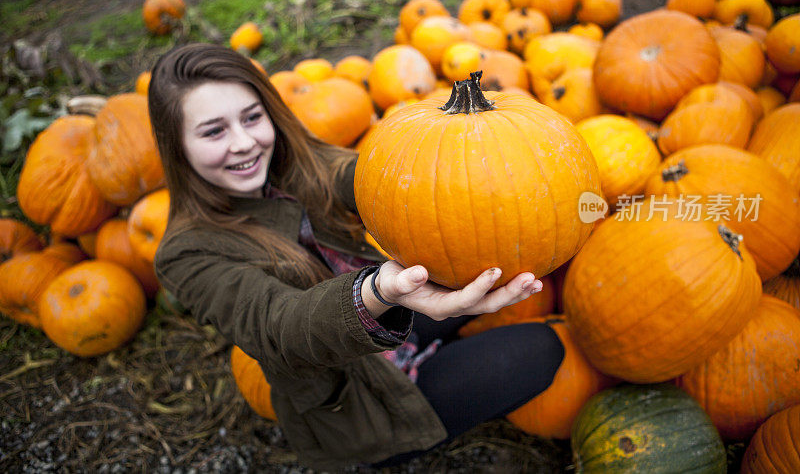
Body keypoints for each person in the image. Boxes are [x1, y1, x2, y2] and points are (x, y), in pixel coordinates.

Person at [148, 43, 565, 471]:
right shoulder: (186, 253)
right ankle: (407, 436)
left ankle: (433, 345)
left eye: (252, 117)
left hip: (392, 308)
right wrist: (380, 289)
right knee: (542, 349)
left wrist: (451, 150)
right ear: (177, 146)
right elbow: (282, 327)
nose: (243, 143)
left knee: (487, 261)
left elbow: (373, 177)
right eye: (214, 131)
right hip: (360, 399)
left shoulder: (293, 161)